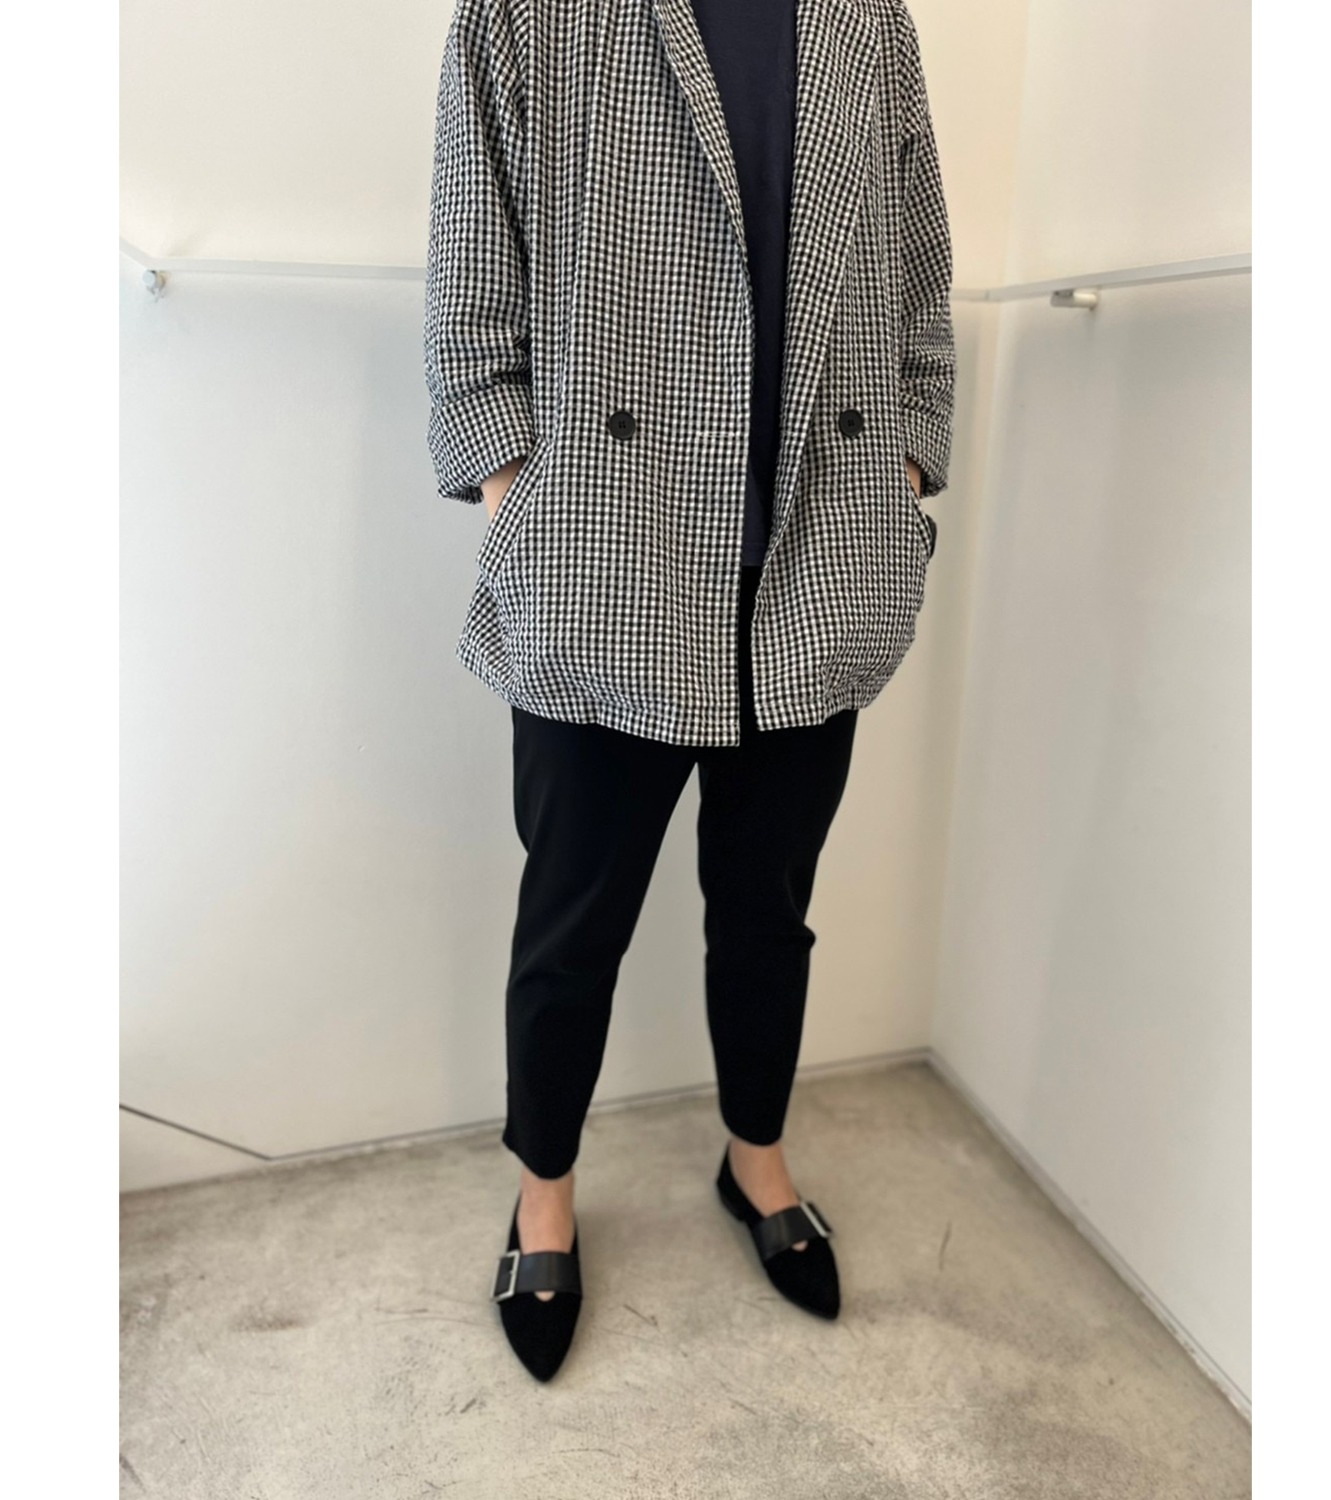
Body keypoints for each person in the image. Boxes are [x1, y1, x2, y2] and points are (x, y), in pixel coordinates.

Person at [425, 0, 955, 1381]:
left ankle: (755, 1159)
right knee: (572, 922)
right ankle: (544, 1196)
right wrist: (518, 487)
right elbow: (471, 262)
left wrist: (909, 460)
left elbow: (918, 267)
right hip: (609, 554)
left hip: (816, 551)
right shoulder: (529, 13)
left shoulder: (869, 19)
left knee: (770, 909)